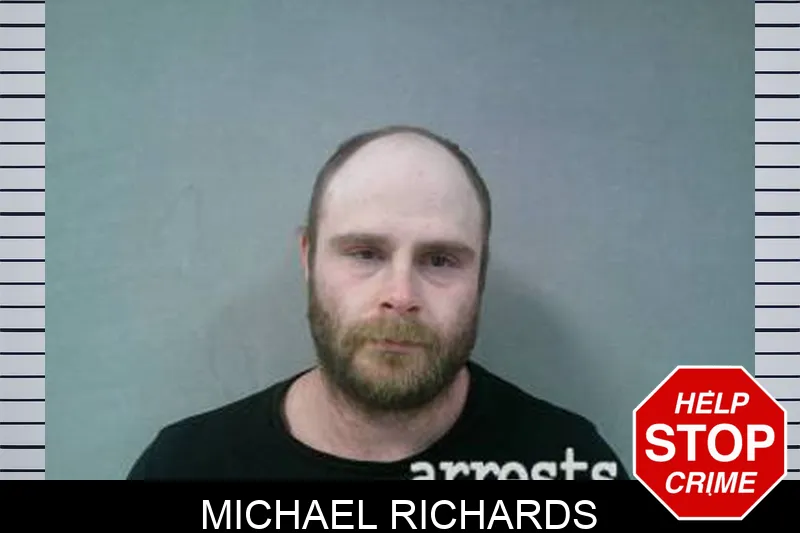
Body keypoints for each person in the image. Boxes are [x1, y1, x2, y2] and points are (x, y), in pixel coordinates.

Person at [127, 125, 628, 480]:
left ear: (480, 274)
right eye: (365, 253)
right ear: (308, 258)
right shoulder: (184, 467)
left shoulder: (571, 465)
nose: (400, 297)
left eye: (440, 260)